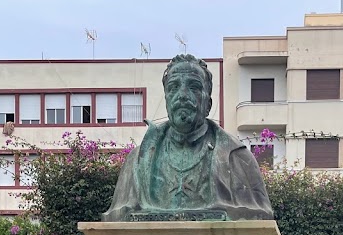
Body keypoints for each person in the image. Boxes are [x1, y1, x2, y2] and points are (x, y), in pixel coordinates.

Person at [103, 54, 273, 221]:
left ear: (208, 104)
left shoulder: (237, 159)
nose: (182, 95)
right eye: (173, 87)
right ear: (167, 99)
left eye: (194, 87)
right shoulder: (137, 161)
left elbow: (259, 217)